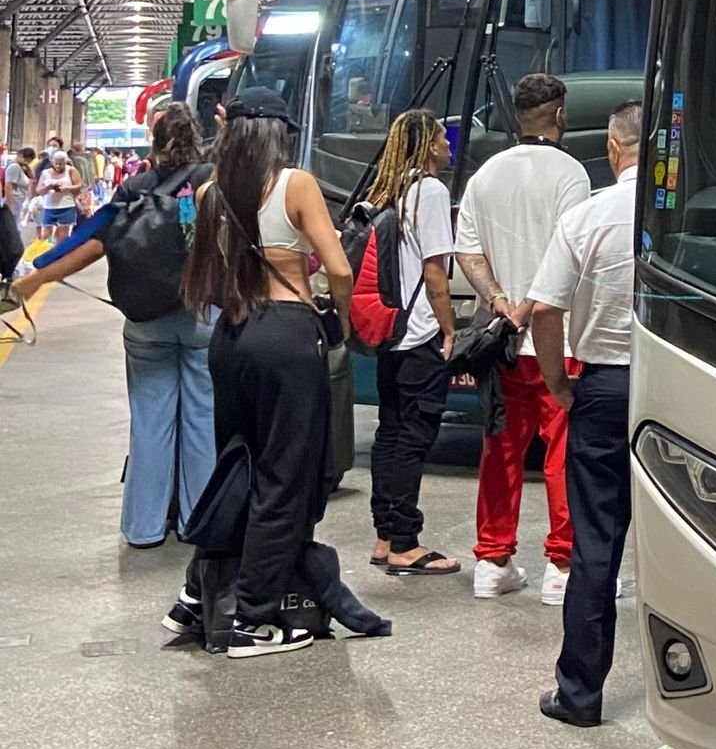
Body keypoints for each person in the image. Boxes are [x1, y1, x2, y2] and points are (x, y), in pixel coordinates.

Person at [167, 86, 361, 658]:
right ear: (280, 134)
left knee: (238, 467)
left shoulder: (208, 193)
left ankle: (197, 597)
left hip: (230, 337)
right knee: (283, 479)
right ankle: (253, 619)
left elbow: (207, 274)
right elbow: (341, 268)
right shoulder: (295, 183)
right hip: (285, 334)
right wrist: (341, 321)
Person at [13, 107, 216, 547]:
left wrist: (37, 278)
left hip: (145, 320)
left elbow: (92, 240)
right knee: (203, 419)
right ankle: (198, 523)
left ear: (155, 141)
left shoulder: (134, 187)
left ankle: (143, 527)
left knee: (149, 421)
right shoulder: (209, 182)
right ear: (198, 137)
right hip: (201, 314)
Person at [526, 100, 641, 728]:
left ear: (615, 150)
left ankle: (580, 696)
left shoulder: (587, 216)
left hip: (602, 388)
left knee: (596, 543)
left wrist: (557, 385)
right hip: (685, 389)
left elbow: (545, 308)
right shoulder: (685, 217)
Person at [454, 73, 590, 603]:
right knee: (563, 454)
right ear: (559, 116)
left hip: (502, 341)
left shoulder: (486, 174)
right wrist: (531, 309)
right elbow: (568, 256)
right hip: (559, 341)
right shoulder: (572, 175)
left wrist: (500, 303)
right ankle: (561, 567)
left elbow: (467, 250)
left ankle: (493, 560)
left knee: (500, 449)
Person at [367, 109, 460, 577]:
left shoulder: (389, 190)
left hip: (390, 332)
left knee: (390, 432)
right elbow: (435, 272)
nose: (450, 146)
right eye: (444, 138)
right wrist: (449, 328)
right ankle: (406, 542)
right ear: (428, 146)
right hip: (421, 332)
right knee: (414, 439)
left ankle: (385, 535)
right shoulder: (432, 191)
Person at [35, 148, 83, 244]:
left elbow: (79, 185)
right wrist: (49, 187)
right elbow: (39, 190)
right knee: (47, 233)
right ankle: (49, 248)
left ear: (65, 162)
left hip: (66, 205)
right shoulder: (45, 173)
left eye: (61, 164)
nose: (58, 166)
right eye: (56, 163)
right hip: (49, 206)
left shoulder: (71, 170)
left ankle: (60, 251)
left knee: (63, 234)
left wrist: (67, 188)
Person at [3, 146, 33, 237]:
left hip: (19, 200)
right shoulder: (14, 167)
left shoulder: (21, 167)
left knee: (15, 227)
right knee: (12, 228)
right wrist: (11, 205)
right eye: (26, 159)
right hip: (14, 200)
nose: (27, 162)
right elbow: (8, 186)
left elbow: (32, 177)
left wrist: (26, 166)